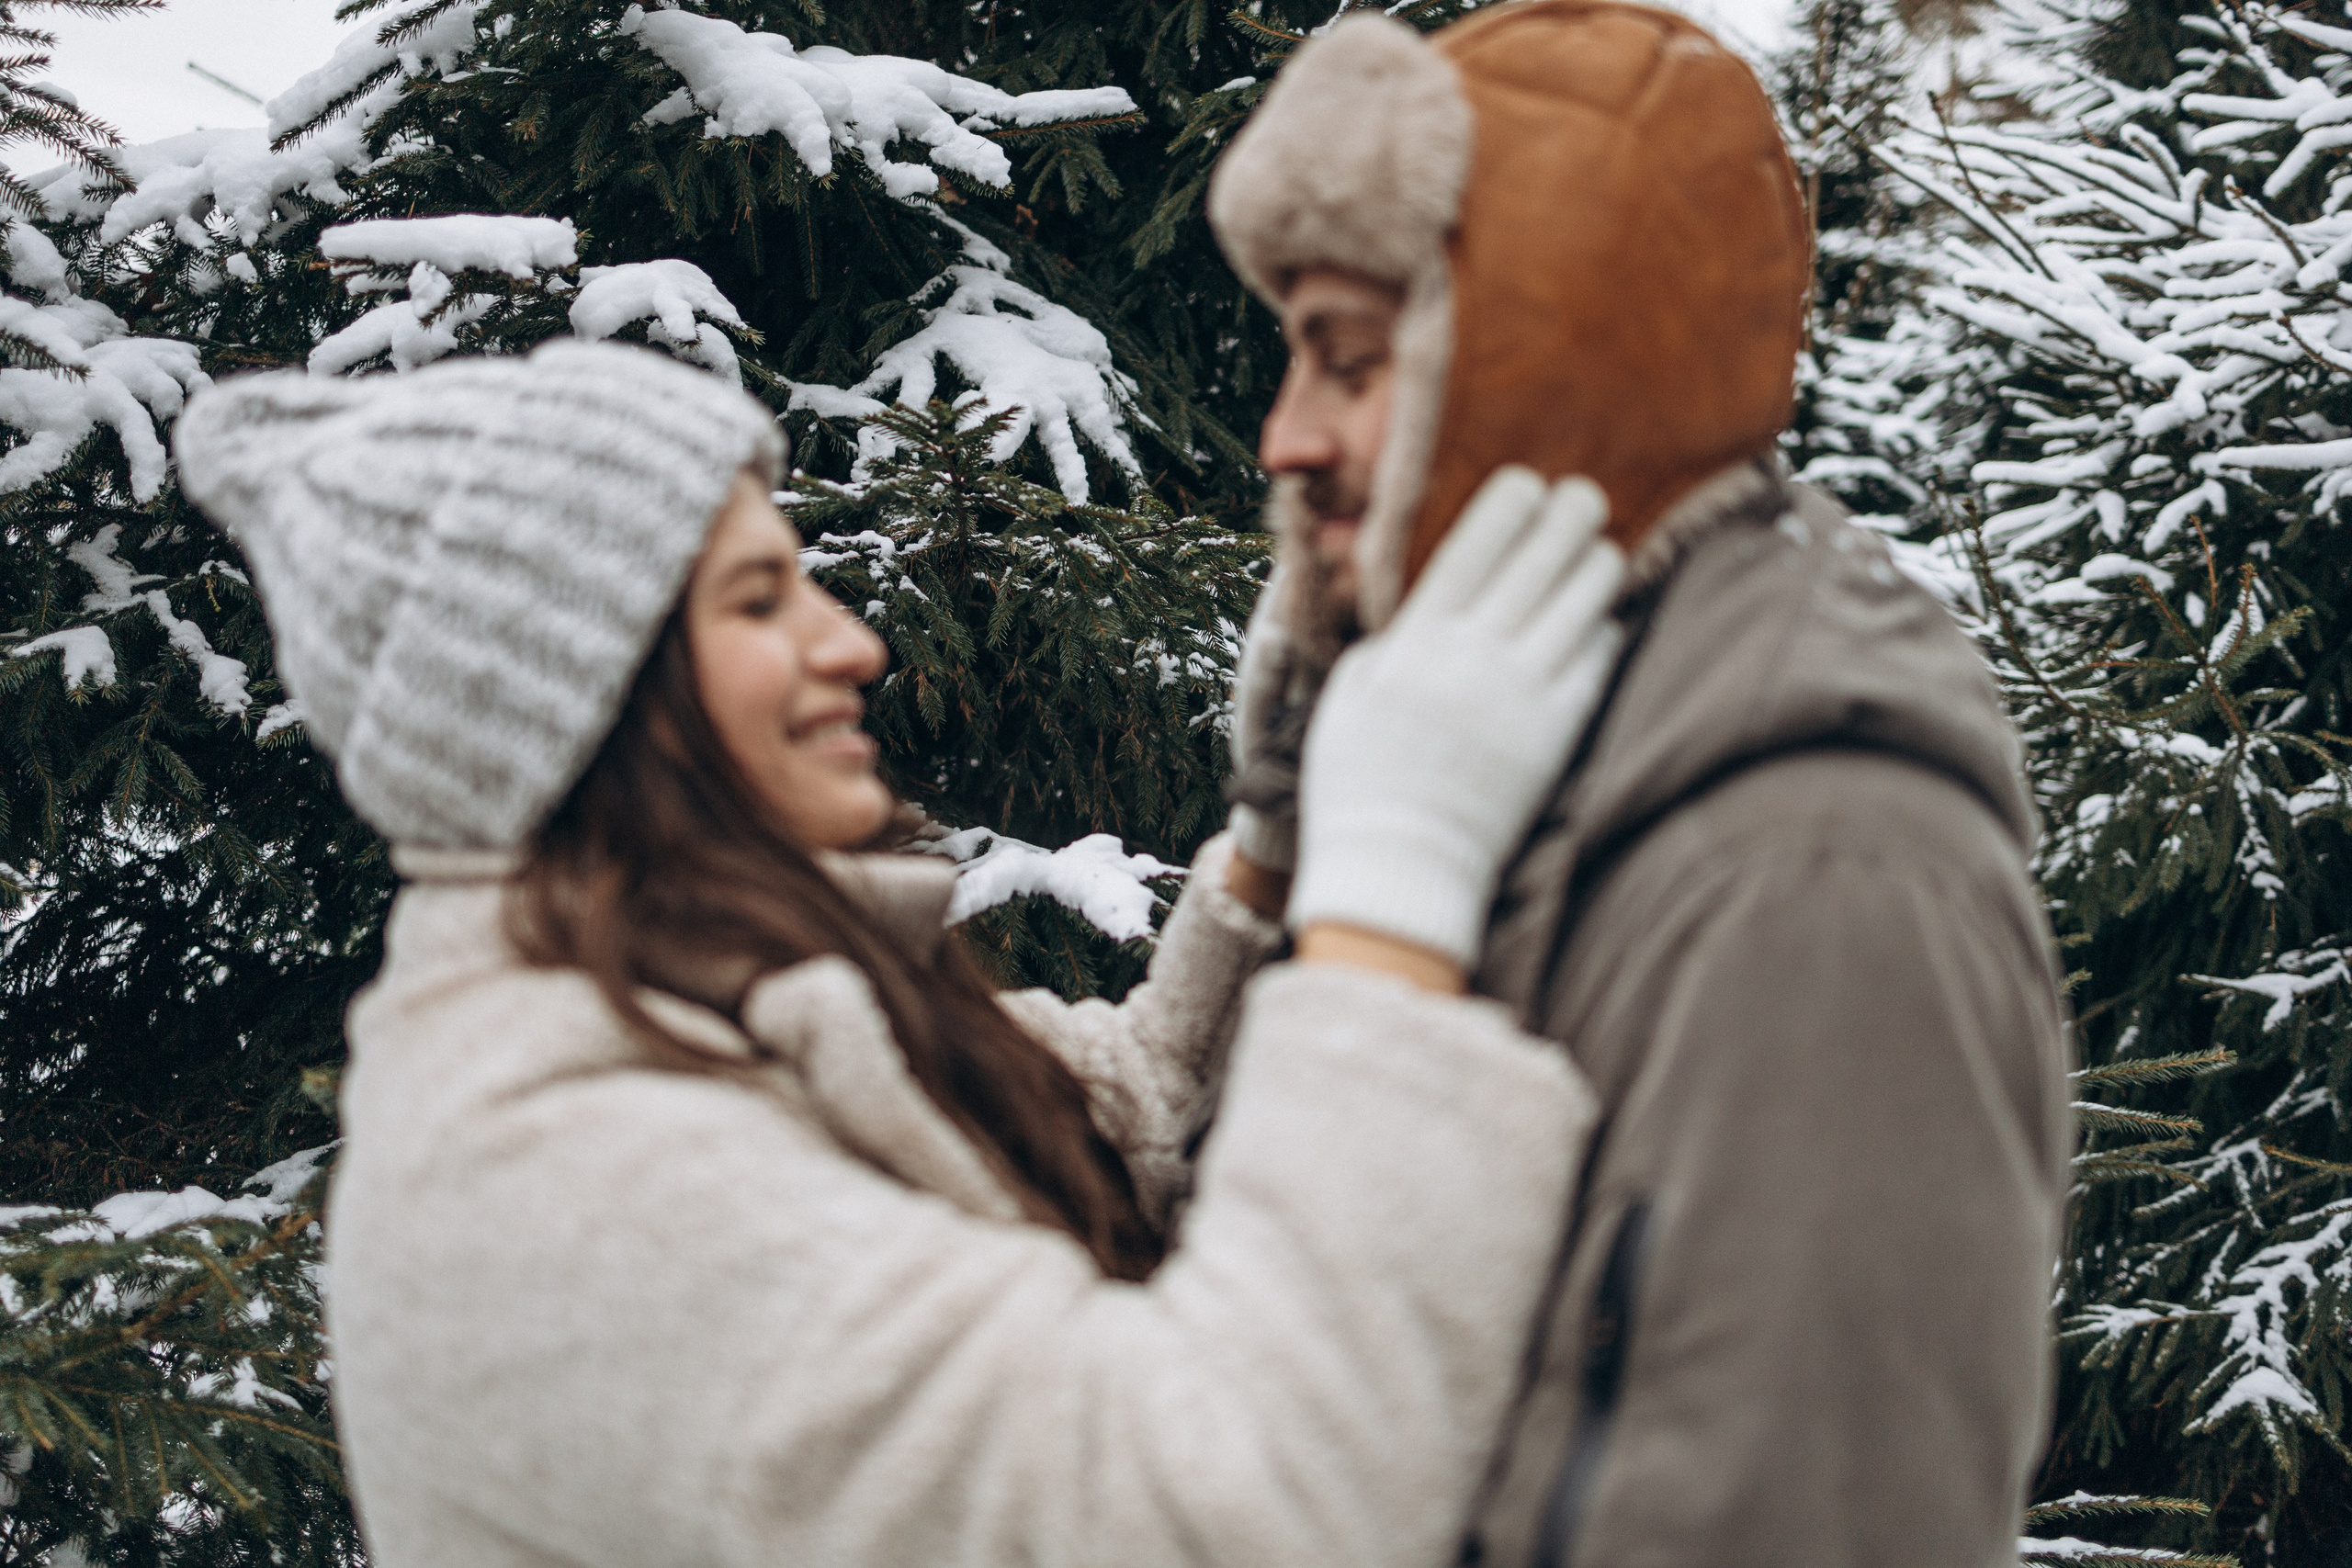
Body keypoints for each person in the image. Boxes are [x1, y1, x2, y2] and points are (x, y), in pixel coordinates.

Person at [171, 337, 1634, 1567]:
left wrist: (1274, 830)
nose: (853, 641)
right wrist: (1397, 880)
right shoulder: (564, 1180)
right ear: (575, 701)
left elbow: (1100, 1111)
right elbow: (1223, 1507)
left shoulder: (676, 1001)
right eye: (757, 601)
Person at [1207, 5, 2074, 1566]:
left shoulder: (1820, 877)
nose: (1287, 437)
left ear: (1535, 365)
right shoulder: (1510, 766)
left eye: (1348, 361)